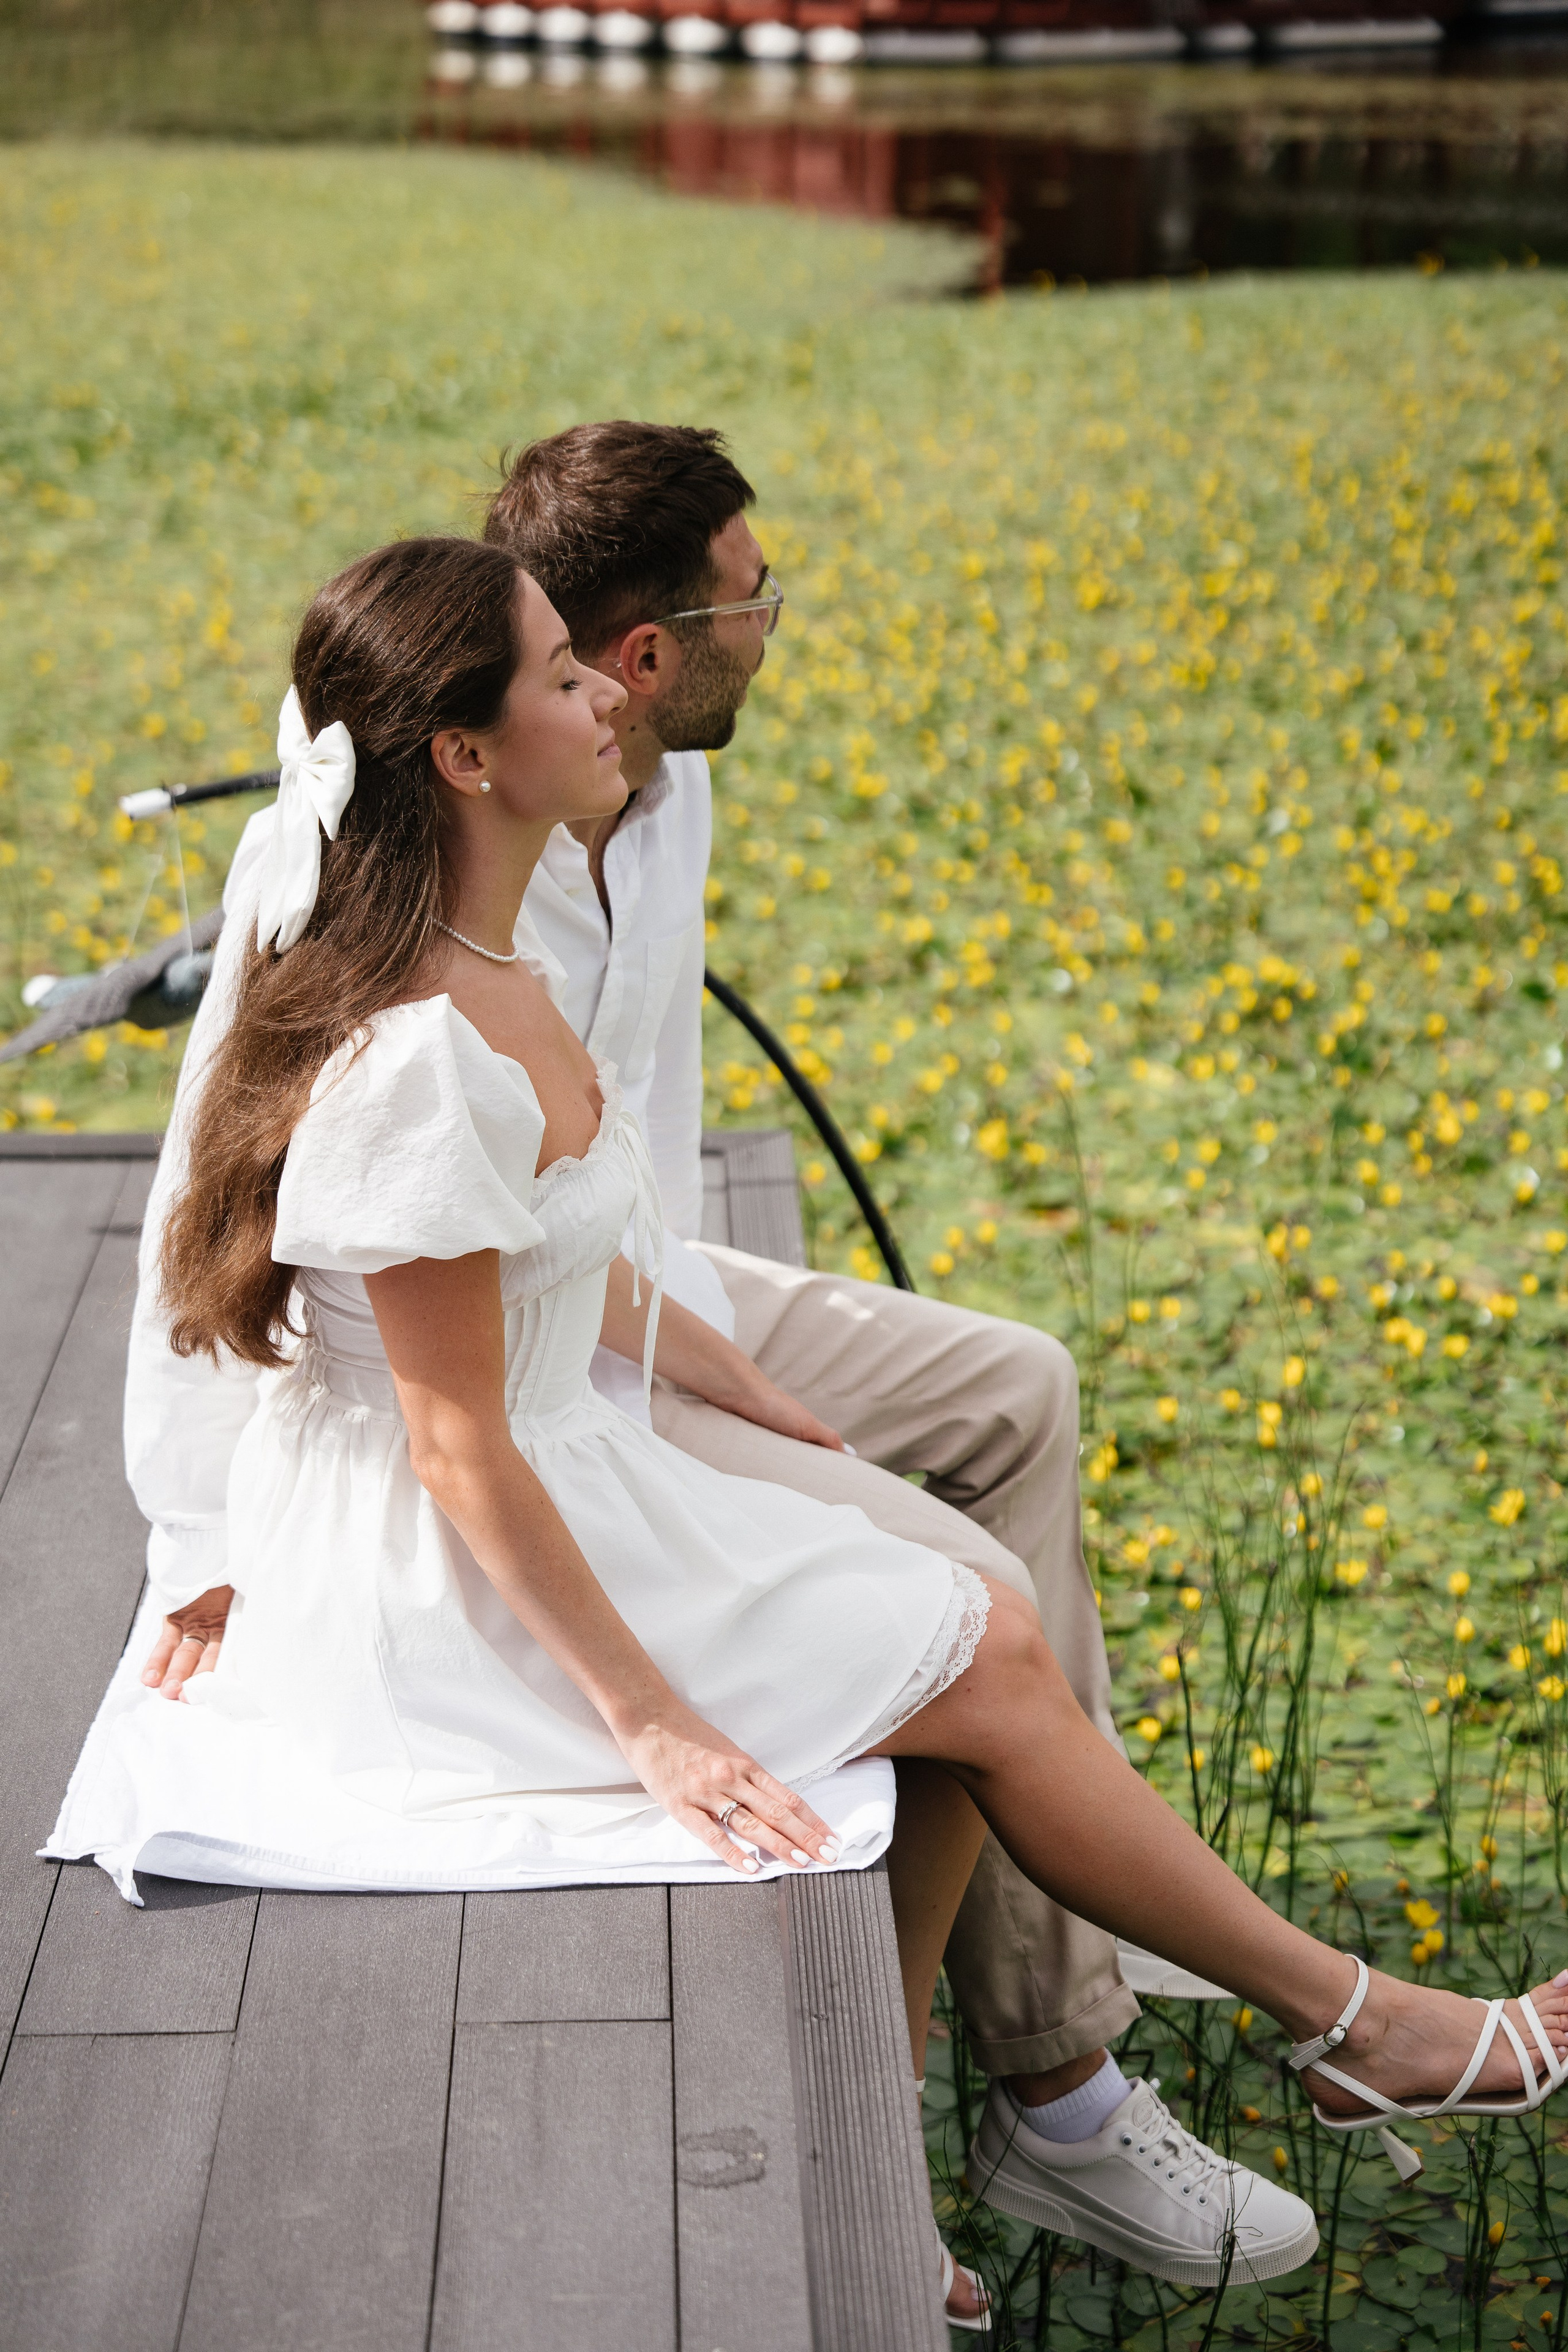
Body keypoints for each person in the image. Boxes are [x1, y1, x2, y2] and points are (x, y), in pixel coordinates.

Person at [51, 539, 1568, 2325]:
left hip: (553, 1471)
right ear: (463, 756)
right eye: (559, 676)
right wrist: (658, 1728)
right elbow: (457, 1446)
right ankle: (1363, 2027)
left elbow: (566, 1261)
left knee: (943, 1667)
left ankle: (920, 2160)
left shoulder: (490, 962)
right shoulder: (414, 1053)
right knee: (981, 1650)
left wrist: (741, 1379)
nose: (611, 691)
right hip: (433, 1584)